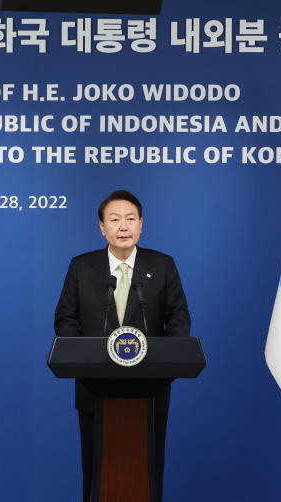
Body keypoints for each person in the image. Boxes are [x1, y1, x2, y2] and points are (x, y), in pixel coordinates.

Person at [54, 190, 190, 502]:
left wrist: (168, 359)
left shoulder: (163, 265)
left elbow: (179, 317)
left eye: (130, 219)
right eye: (114, 220)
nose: (123, 226)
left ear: (141, 224)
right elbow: (65, 318)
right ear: (102, 227)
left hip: (150, 391)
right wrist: (81, 357)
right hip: (94, 388)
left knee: (149, 472)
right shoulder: (81, 266)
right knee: (96, 473)